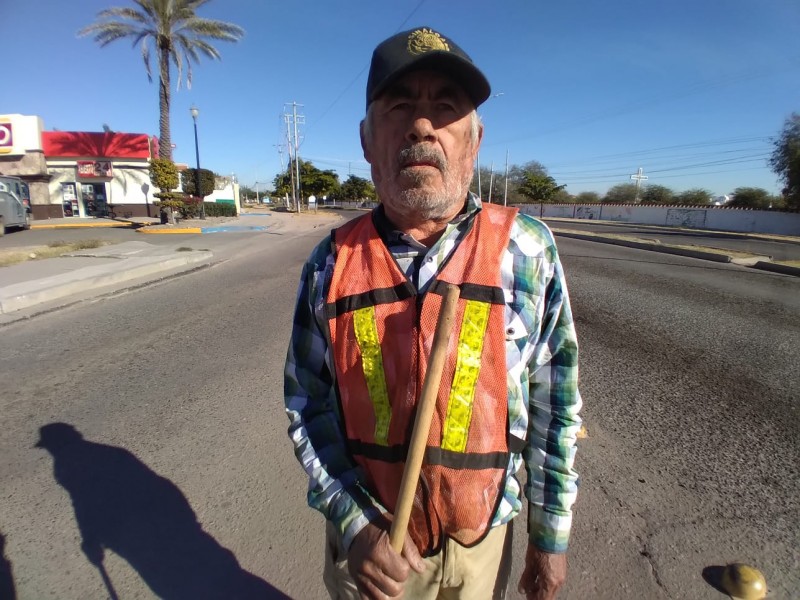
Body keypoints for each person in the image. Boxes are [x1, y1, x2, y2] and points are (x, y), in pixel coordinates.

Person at [285, 26, 582, 600]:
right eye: (400, 105)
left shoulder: (529, 250)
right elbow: (306, 405)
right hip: (373, 562)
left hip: (482, 553)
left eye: (445, 107)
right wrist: (353, 524)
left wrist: (550, 540)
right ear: (368, 139)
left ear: (475, 140)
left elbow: (556, 404)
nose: (423, 124)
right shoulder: (330, 263)